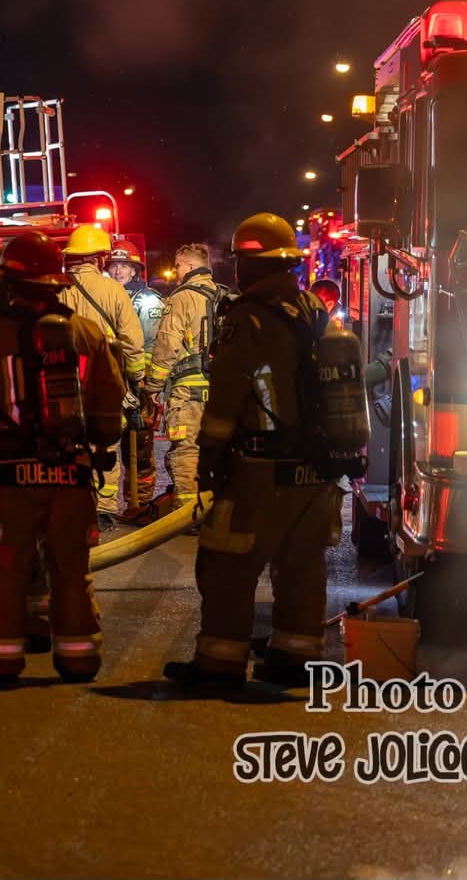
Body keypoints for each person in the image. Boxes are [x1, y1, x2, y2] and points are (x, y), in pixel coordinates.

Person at [165, 213, 340, 693]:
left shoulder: (247, 318)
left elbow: (226, 399)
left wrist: (210, 459)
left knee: (227, 566)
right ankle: (295, 659)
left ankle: (219, 667)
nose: (237, 270)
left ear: (253, 264)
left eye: (242, 261)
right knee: (302, 567)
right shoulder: (314, 312)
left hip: (260, 469)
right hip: (317, 471)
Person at [0, 233, 126, 682]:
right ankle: (79, 656)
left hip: (10, 476)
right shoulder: (86, 333)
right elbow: (109, 412)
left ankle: (0, 659)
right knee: (71, 569)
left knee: (5, 569)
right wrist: (100, 443)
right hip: (71, 474)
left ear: (12, 285)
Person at [58, 225, 149, 525]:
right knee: (105, 442)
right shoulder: (113, 290)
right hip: (105, 380)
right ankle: (104, 508)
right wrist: (136, 378)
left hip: (64, 381)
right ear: (98, 259)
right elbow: (132, 340)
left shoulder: (57, 288)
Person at [142, 243, 223, 505]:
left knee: (187, 452)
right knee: (220, 451)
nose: (176, 271)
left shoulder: (181, 298)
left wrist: (154, 386)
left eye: (177, 266)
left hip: (189, 392)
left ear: (188, 266)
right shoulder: (226, 296)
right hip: (223, 390)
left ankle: (187, 515)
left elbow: (166, 344)